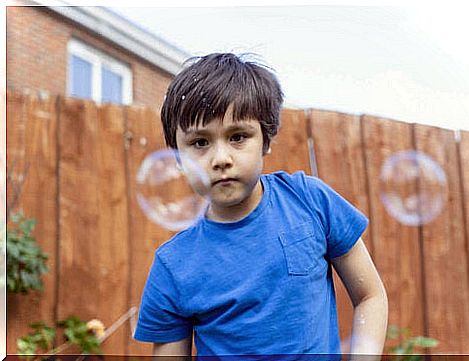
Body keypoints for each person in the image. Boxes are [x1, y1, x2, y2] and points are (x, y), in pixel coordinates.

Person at [133, 53, 388, 358]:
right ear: (178, 156)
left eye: (238, 136)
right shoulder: (173, 266)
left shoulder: (311, 202)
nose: (221, 159)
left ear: (266, 140)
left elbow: (370, 296)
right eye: (200, 143)